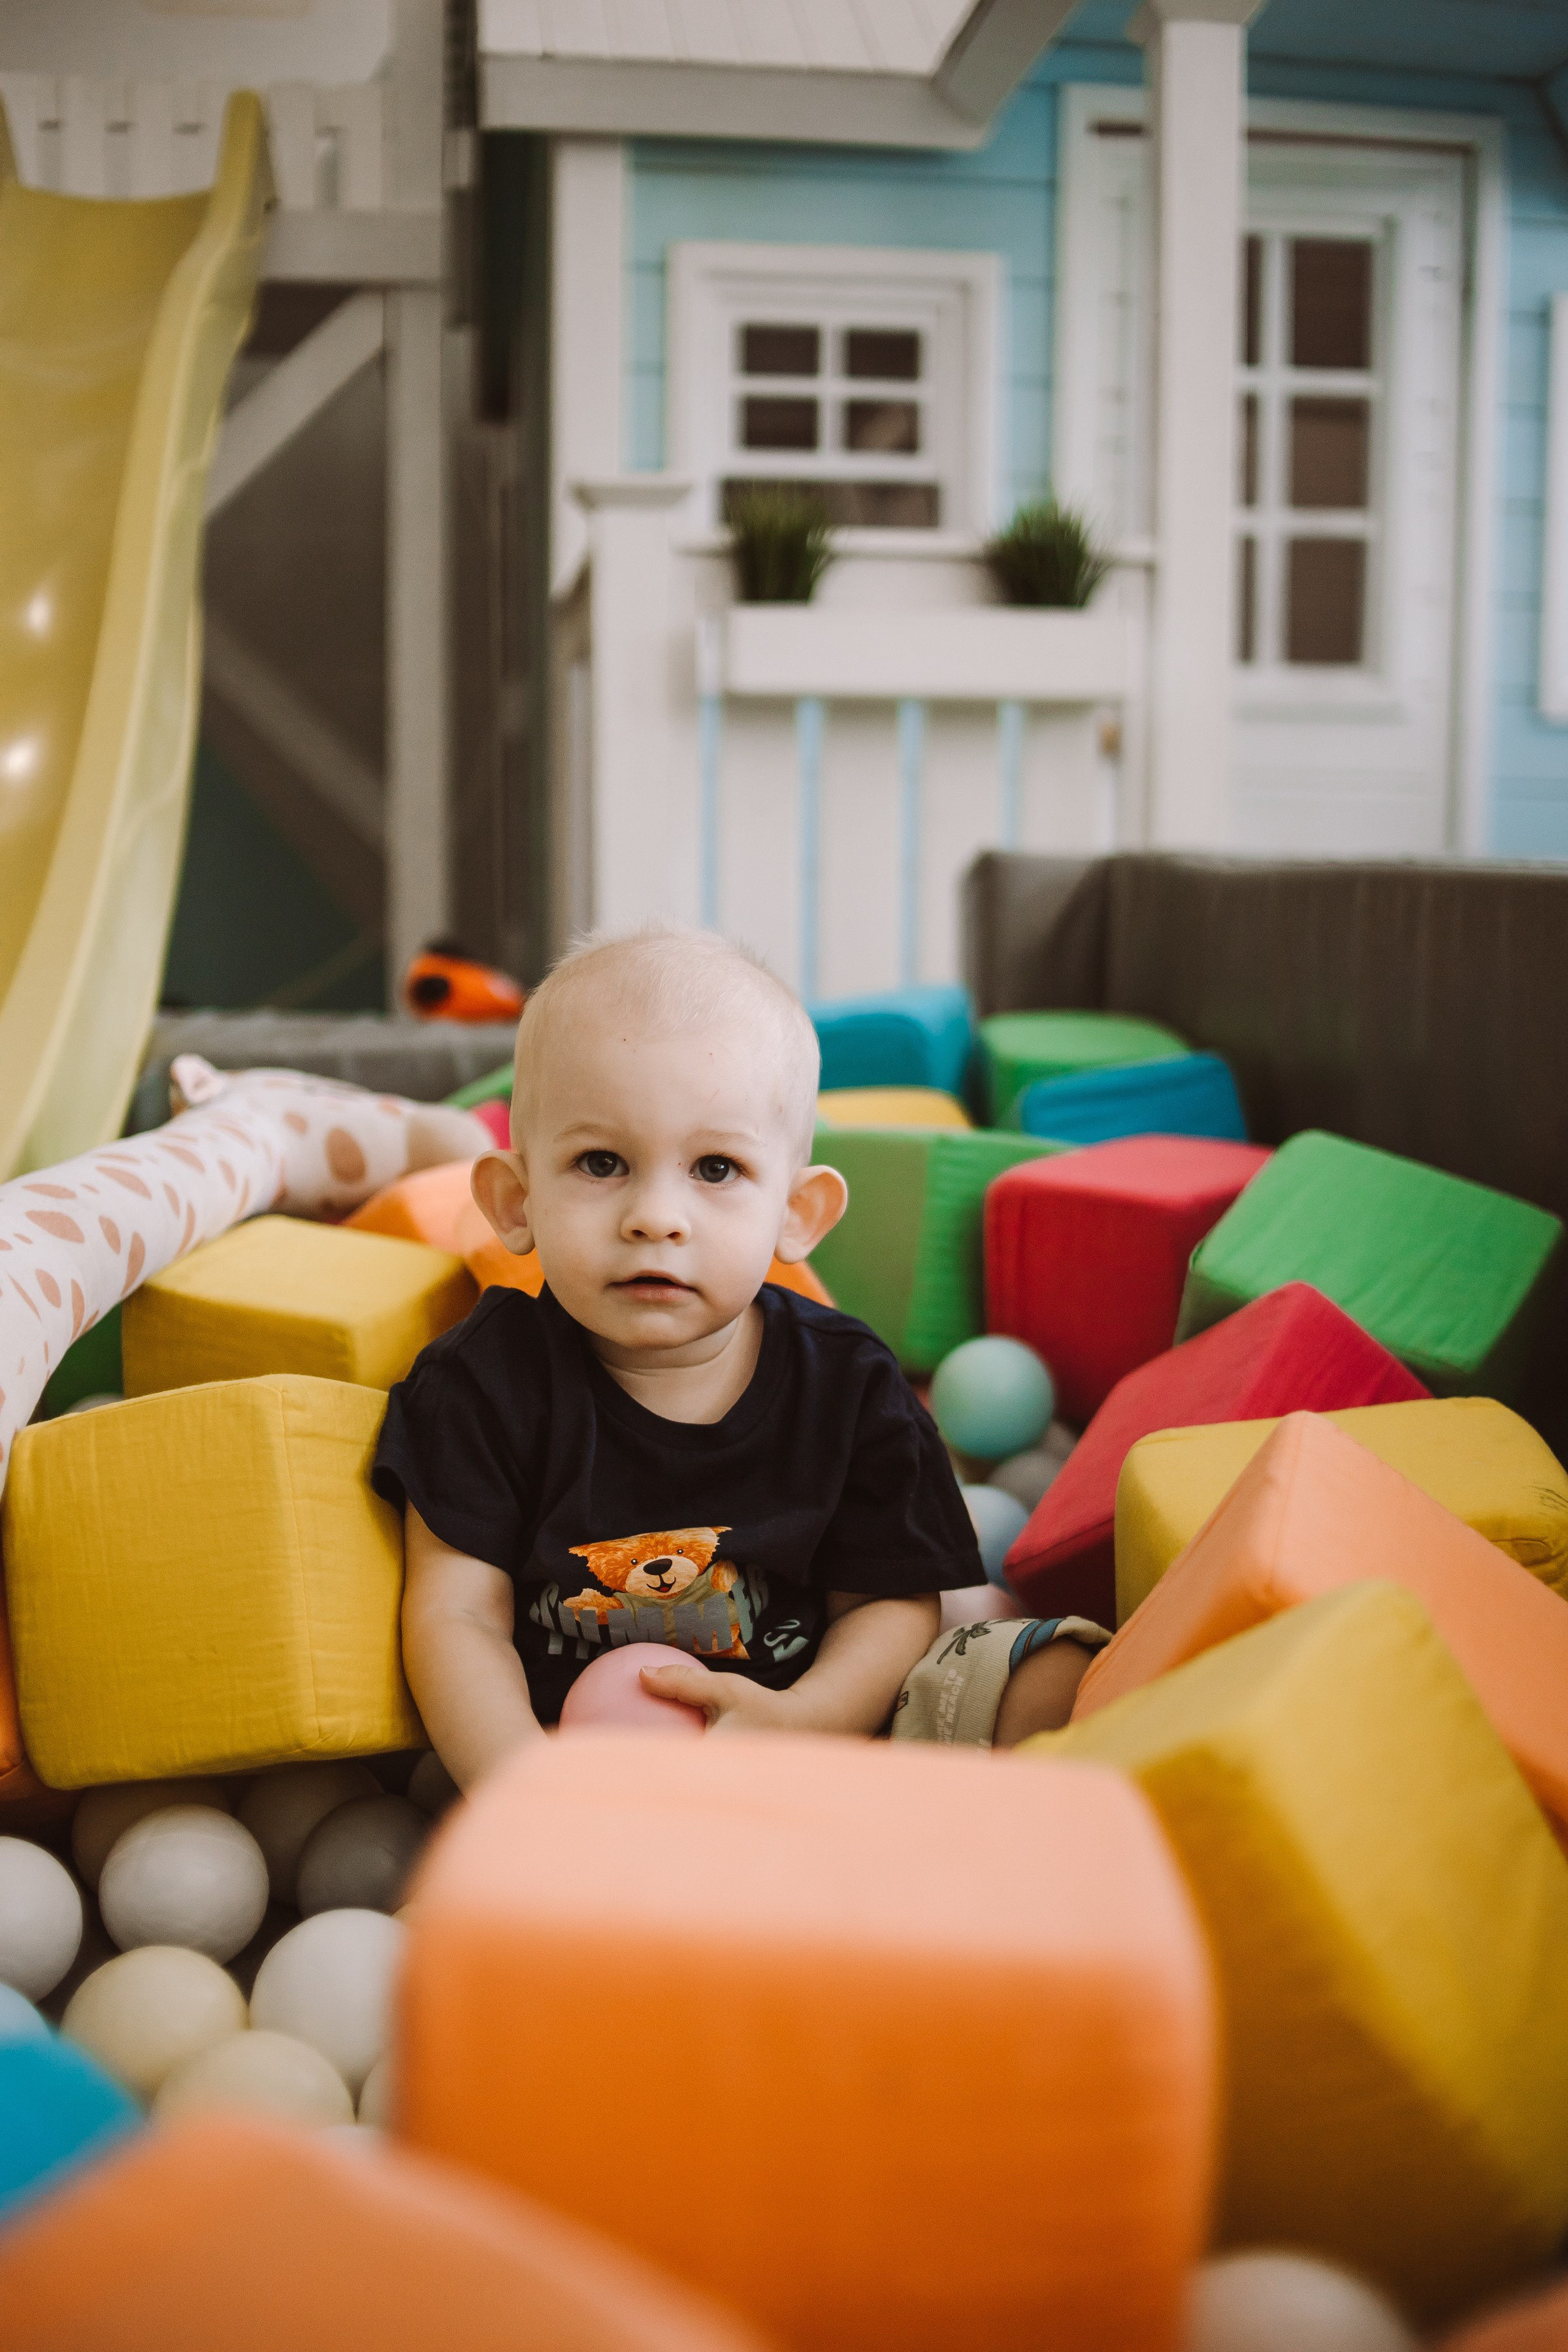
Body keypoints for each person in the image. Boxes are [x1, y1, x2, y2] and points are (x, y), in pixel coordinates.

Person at [372, 926, 1105, 1789]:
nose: (656, 1217)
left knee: (1054, 1675)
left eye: (715, 1169)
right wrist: (526, 1788)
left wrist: (807, 1719)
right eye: (602, 1163)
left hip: (819, 1744)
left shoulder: (848, 1386)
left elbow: (886, 1603)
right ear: (514, 1201)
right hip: (582, 1770)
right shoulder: (480, 1386)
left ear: (797, 1215)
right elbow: (457, 1617)